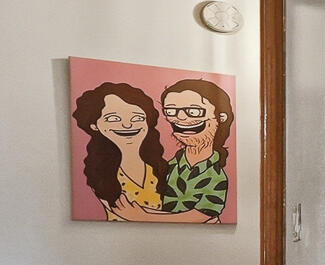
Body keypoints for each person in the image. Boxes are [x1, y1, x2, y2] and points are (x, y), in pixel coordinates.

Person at [112, 77, 233, 223]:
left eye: (193, 111)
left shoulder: (216, 174)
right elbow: (166, 210)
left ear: (220, 117)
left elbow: (201, 215)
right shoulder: (170, 166)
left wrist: (141, 217)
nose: (180, 118)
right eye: (171, 111)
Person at [71, 81, 167, 220]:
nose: (127, 125)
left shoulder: (161, 168)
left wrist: (142, 216)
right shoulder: (100, 173)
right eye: (114, 118)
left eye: (137, 118)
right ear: (94, 125)